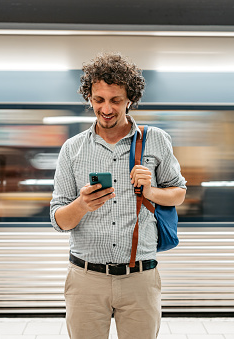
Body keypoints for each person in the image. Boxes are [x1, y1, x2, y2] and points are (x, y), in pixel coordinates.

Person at [50, 52, 186, 339]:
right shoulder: (72, 149)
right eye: (99, 99)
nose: (107, 108)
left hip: (140, 278)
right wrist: (82, 204)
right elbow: (59, 220)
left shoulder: (156, 140)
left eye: (115, 100)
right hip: (86, 279)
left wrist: (151, 191)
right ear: (89, 98)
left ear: (130, 100)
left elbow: (178, 194)